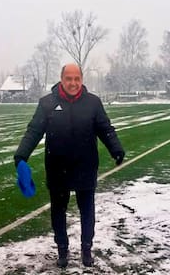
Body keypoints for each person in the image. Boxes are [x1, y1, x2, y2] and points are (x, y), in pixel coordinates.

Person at [14, 63, 125, 268]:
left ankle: (86, 249)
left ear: (81, 80)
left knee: (87, 210)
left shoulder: (93, 103)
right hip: (57, 167)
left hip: (86, 166)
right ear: (62, 79)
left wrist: (116, 149)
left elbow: (105, 129)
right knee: (58, 211)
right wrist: (21, 156)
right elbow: (33, 131)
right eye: (69, 79)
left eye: (77, 79)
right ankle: (62, 250)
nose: (73, 83)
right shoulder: (47, 103)